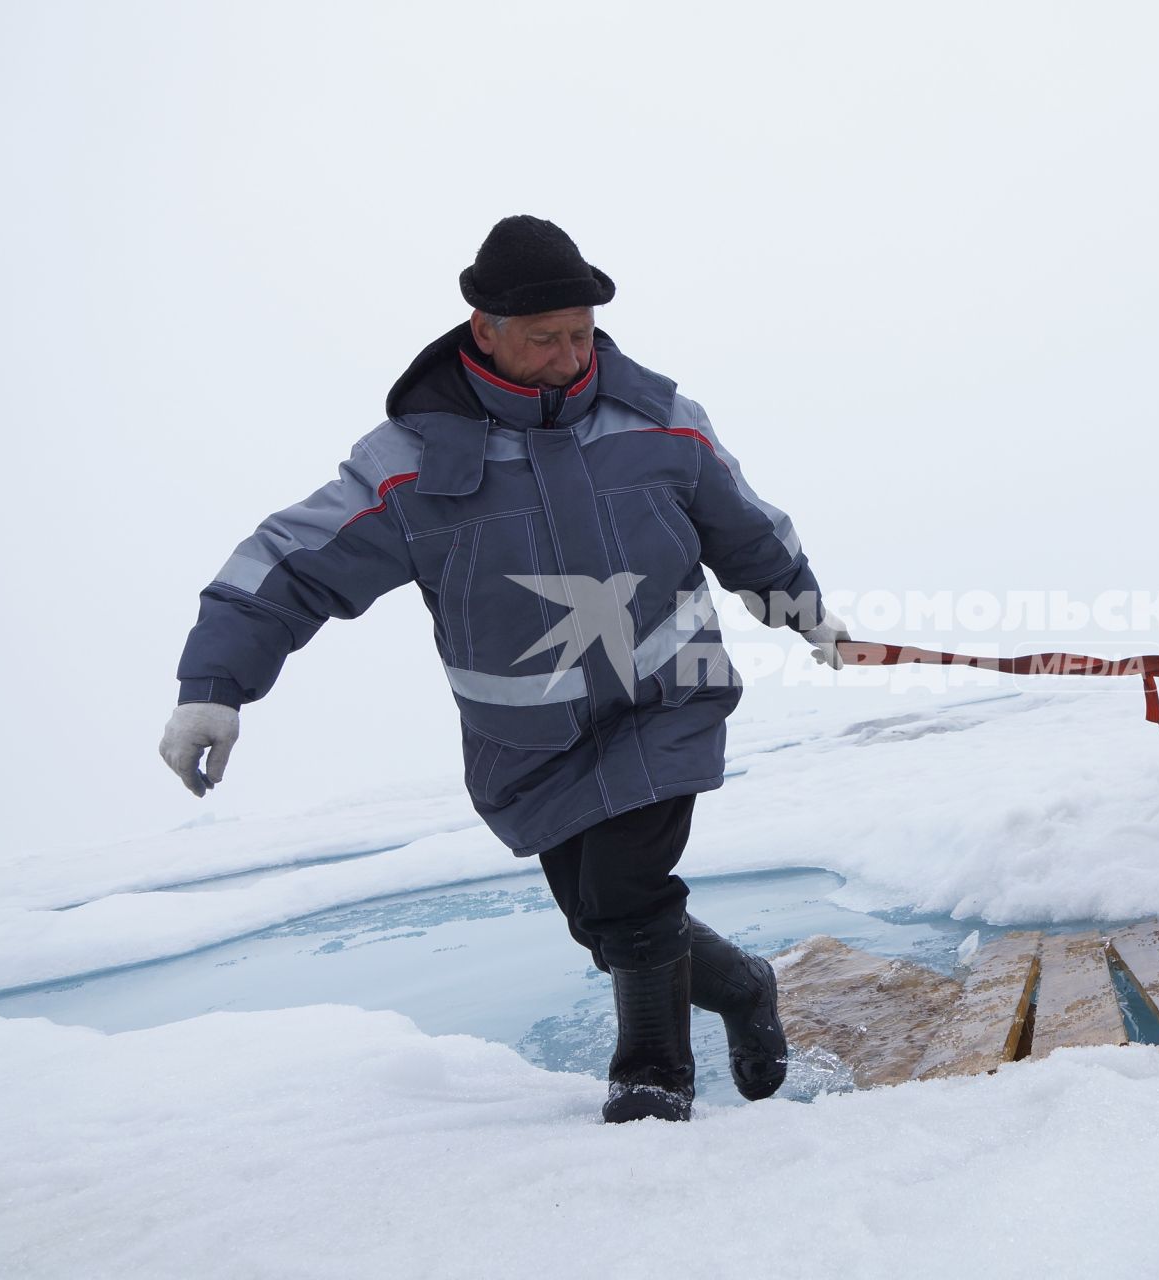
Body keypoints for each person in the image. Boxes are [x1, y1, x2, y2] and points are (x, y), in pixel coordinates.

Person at [158, 215, 850, 1122]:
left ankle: (651, 1093)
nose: (570, 357)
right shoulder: (412, 464)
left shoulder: (659, 422)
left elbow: (745, 527)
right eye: (544, 340)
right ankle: (747, 988)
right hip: (527, 739)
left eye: (582, 335)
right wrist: (213, 687)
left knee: (634, 898)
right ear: (483, 330)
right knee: (604, 924)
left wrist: (803, 610)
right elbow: (289, 564)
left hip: (664, 700)